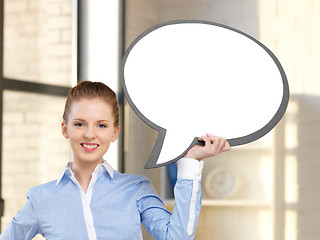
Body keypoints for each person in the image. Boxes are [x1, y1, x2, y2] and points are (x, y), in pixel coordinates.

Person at [0, 81, 230, 240]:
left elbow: (177, 237)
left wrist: (190, 162)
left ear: (114, 132)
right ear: (65, 129)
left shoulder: (136, 189)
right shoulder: (41, 199)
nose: (90, 134)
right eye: (80, 124)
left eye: (101, 125)